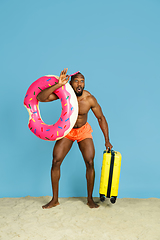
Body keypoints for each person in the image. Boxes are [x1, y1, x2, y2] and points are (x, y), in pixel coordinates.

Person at [37, 68, 113, 209]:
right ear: (71, 82)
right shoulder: (64, 94)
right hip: (67, 130)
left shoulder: (89, 99)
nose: (79, 84)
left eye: (82, 81)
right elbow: (41, 98)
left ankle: (90, 199)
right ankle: (55, 199)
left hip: (83, 131)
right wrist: (58, 85)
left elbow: (101, 118)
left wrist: (107, 140)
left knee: (90, 162)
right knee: (56, 160)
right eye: (76, 80)